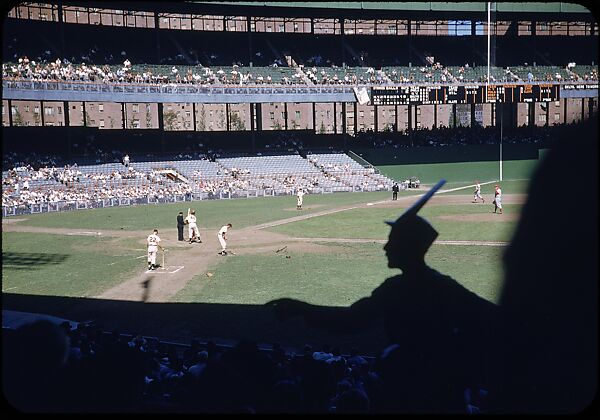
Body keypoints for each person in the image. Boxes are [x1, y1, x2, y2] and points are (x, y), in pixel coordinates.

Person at [267, 180, 500, 412]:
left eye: (392, 241)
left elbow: (352, 320)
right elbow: (489, 316)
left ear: (407, 247)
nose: (386, 247)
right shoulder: (442, 285)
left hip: (413, 394)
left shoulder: (398, 288)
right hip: (444, 395)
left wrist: (301, 309)